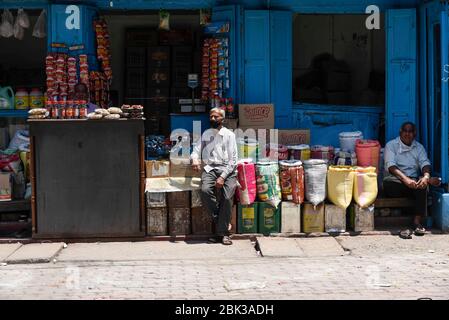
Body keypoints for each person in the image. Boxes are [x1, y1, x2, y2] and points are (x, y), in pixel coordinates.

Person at [383, 122, 440, 237]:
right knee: (393, 183)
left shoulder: (419, 147)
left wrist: (426, 177)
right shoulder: (391, 145)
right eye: (405, 131)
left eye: (411, 132)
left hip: (412, 182)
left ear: (415, 134)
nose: (407, 134)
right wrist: (406, 180)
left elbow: (425, 163)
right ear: (400, 132)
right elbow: (391, 166)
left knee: (422, 184)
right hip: (394, 182)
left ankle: (417, 222)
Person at [191, 108, 238, 245]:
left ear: (222, 119)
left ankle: (222, 234)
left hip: (227, 170)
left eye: (216, 117)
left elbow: (233, 161)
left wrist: (223, 177)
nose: (212, 119)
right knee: (205, 191)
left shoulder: (229, 135)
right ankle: (221, 222)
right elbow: (196, 150)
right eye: (211, 116)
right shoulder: (206, 134)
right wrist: (194, 159)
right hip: (210, 169)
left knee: (227, 197)